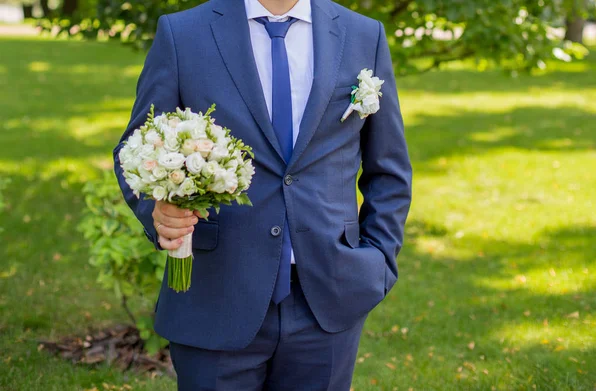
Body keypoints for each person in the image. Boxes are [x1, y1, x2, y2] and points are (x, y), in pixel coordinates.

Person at [113, 0, 412, 389]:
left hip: (328, 296)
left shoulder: (362, 35)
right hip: (216, 293)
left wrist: (378, 261)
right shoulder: (182, 34)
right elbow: (136, 149)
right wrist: (159, 210)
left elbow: (388, 170)